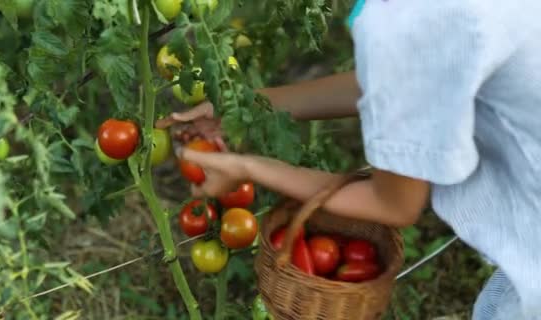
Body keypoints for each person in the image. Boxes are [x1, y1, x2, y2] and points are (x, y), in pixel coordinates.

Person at [156, 0, 541, 319]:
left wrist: (248, 168)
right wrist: (251, 107)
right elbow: (405, 78)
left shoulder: (404, 25)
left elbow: (392, 203)